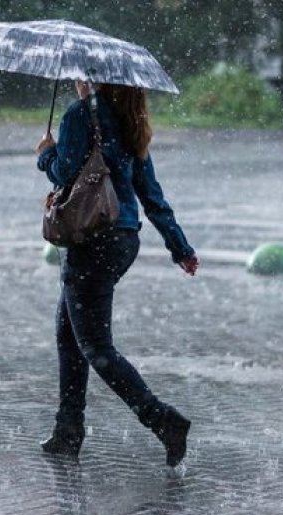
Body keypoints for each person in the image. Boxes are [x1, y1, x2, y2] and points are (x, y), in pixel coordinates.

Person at [35, 80, 200, 469]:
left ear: (94, 78)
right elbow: (151, 194)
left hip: (92, 237)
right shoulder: (131, 120)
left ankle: (163, 421)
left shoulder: (80, 116)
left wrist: (45, 154)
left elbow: (63, 172)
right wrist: (180, 247)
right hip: (124, 239)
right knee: (68, 335)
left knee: (95, 347)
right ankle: (67, 431)